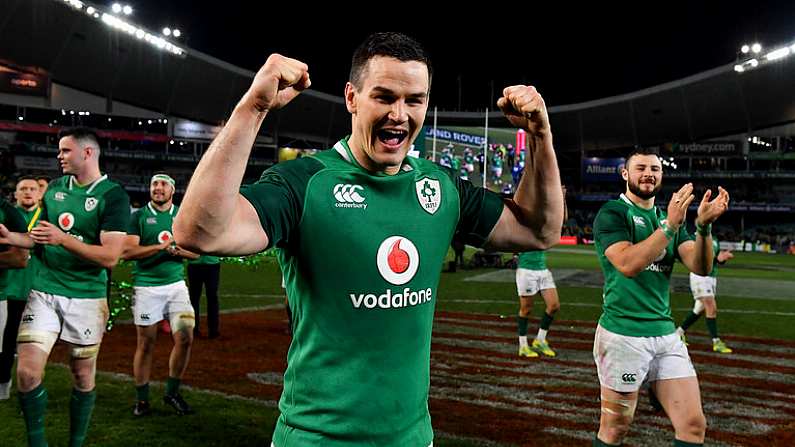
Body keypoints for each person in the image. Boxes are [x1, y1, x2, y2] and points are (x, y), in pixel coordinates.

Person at [174, 32, 563, 446]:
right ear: (351, 98)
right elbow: (199, 232)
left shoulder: (442, 187)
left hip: (412, 437)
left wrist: (540, 136)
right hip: (316, 437)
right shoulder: (307, 182)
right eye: (384, 97)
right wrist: (254, 108)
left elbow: (538, 230)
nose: (399, 113)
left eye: (414, 100)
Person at [0, 128, 130, 447]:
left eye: (65, 150)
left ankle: (76, 442)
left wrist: (64, 240)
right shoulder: (56, 188)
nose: (59, 156)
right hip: (44, 291)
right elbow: (38, 236)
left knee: (83, 376)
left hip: (87, 297)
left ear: (87, 153)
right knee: (27, 374)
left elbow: (111, 257)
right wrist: (10, 237)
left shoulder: (113, 196)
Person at [592, 147, 729, 447]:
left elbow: (701, 266)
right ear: (625, 174)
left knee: (693, 425)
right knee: (615, 428)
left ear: (661, 175)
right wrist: (668, 226)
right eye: (640, 168)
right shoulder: (613, 213)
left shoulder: (669, 219)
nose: (648, 174)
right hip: (623, 334)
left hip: (666, 336)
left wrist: (703, 228)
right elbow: (628, 264)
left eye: (655, 169)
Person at [123, 173, 199, 417]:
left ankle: (172, 392)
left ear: (172, 189)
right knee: (146, 343)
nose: (158, 188)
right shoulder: (139, 217)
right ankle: (142, 400)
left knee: (186, 338)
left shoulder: (182, 215)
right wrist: (159, 248)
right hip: (146, 287)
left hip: (176, 286)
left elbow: (196, 254)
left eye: (163, 184)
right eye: (154, 183)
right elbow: (128, 252)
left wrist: (178, 252)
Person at [0, 177, 41, 400]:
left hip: (37, 290)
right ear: (15, 194)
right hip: (11, 288)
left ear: (39, 194)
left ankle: (32, 387)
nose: (27, 192)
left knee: (33, 343)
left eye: (32, 189)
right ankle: (4, 386)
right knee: (6, 342)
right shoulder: (9, 215)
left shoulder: (46, 218)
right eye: (23, 189)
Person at [516, 185, 567, 358]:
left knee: (554, 306)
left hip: (542, 270)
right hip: (526, 270)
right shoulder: (524, 218)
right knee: (526, 309)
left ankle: (540, 340)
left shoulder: (544, 217)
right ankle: (523, 345)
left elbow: (562, 220)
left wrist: (562, 198)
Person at [676, 239, 734, 353]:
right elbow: (697, 257)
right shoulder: (695, 237)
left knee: (699, 309)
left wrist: (720, 259)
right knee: (711, 307)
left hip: (711, 277)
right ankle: (716, 342)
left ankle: (678, 333)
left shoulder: (714, 238)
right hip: (700, 276)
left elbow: (714, 260)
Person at [187, 254, 221, 338]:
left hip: (209, 264)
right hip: (199, 264)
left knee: (210, 297)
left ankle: (213, 330)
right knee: (196, 298)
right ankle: (195, 329)